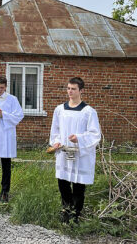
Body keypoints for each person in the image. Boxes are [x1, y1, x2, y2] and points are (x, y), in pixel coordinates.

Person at [49, 77, 101, 224]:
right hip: (64, 153)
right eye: (68, 88)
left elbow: (95, 134)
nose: (70, 91)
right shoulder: (60, 110)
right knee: (63, 183)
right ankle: (66, 212)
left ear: (81, 91)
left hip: (79, 154)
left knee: (78, 185)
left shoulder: (88, 111)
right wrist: (56, 142)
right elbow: (55, 130)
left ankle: (75, 215)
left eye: (73, 89)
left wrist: (78, 138)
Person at [0, 76, 24, 202]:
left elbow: (19, 115)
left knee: (6, 166)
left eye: (2, 88)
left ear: (6, 87)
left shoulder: (12, 99)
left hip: (6, 136)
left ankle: (5, 192)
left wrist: (4, 115)